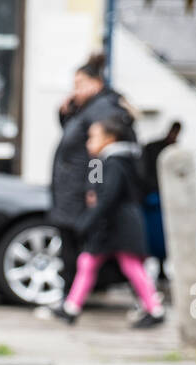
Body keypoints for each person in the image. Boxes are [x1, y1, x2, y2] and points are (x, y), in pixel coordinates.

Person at [49, 117, 165, 329]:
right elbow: (94, 189)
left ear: (109, 139)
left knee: (130, 266)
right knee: (88, 262)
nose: (88, 143)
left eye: (93, 137)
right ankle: (71, 307)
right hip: (108, 225)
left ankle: (155, 309)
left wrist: (86, 222)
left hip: (120, 225)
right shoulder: (102, 161)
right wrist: (92, 191)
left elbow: (107, 198)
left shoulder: (116, 163)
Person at [49, 52, 136, 296]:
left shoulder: (102, 109)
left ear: (95, 83)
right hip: (70, 192)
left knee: (81, 250)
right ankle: (70, 297)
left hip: (79, 194)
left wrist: (94, 187)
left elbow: (99, 155)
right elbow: (74, 139)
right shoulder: (87, 108)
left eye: (79, 84)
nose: (75, 90)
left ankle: (72, 298)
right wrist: (65, 112)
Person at [140, 121, 181, 197]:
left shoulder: (173, 150)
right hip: (151, 187)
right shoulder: (152, 147)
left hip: (162, 187)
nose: (174, 135)